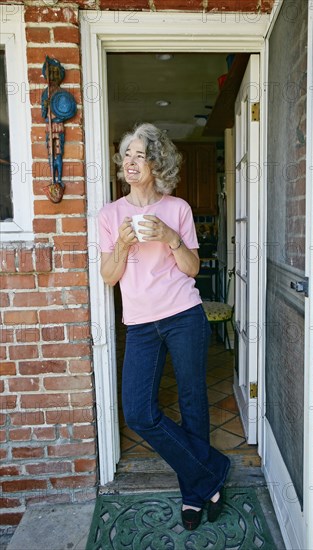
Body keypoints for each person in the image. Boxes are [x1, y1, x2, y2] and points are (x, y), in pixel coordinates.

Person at [98, 123, 230, 530]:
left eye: (140, 155)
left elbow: (192, 270)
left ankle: (194, 494)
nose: (131, 162)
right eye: (127, 155)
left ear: (156, 163)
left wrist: (171, 237)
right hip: (139, 324)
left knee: (193, 401)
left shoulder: (178, 209)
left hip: (183, 315)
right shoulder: (110, 215)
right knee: (138, 412)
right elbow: (108, 277)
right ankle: (211, 471)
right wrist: (122, 245)